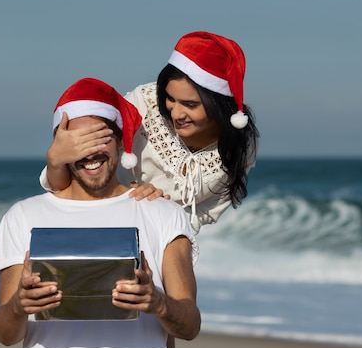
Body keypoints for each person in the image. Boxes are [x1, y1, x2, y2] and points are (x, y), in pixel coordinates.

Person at [0, 77, 201, 348]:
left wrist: (157, 303)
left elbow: (190, 327)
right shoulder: (22, 216)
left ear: (119, 142)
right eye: (78, 143)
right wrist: (19, 306)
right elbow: (6, 335)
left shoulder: (164, 214)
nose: (90, 152)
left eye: (100, 138)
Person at [40, 31, 260, 234]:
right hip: (94, 225)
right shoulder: (141, 106)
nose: (176, 114)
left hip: (163, 241)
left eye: (190, 105)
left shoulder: (242, 143)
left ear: (220, 105)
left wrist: (162, 212)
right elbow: (67, 185)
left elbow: (204, 214)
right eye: (170, 99)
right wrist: (55, 161)